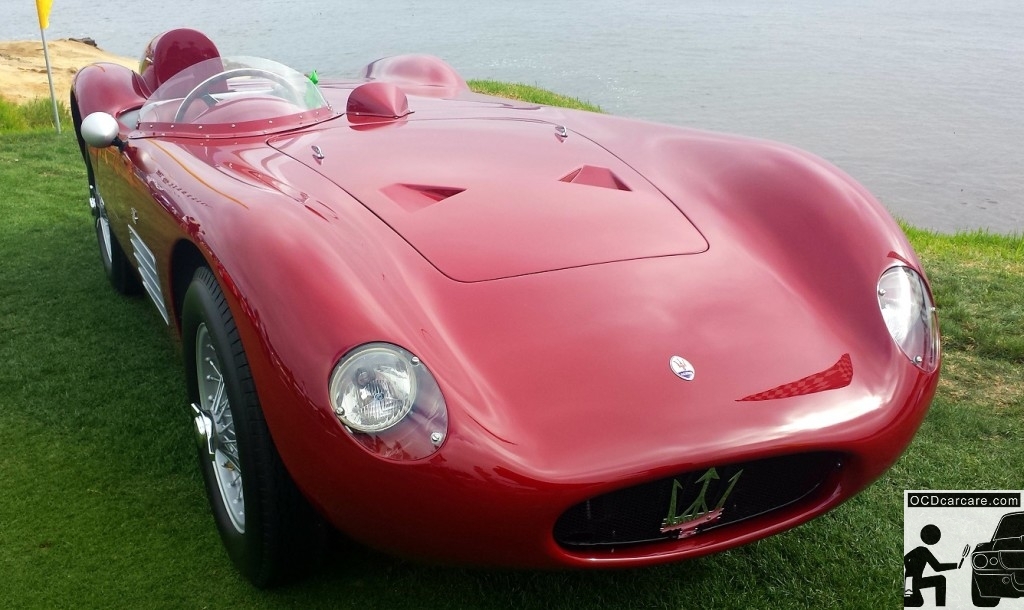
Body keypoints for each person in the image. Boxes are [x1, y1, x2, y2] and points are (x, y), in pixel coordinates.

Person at [904, 524, 960, 607]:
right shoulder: (923, 550)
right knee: (940, 580)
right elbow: (937, 567)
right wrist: (956, 565)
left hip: (912, 581)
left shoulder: (920, 549)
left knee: (918, 601)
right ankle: (940, 606)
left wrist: (909, 568)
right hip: (912, 582)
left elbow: (905, 558)